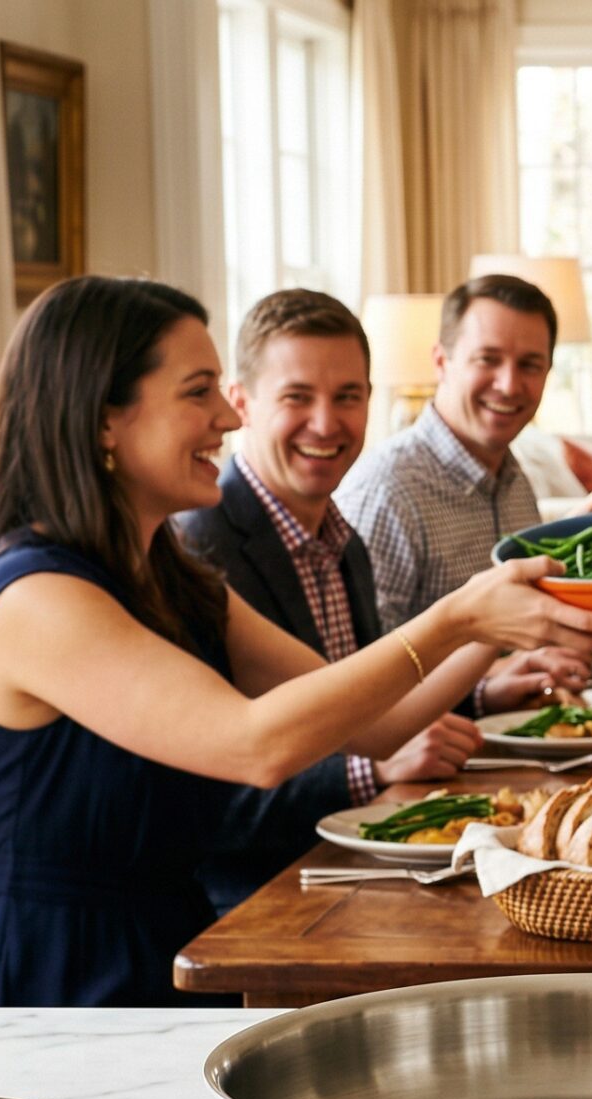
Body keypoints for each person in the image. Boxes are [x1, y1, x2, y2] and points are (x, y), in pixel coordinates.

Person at [0, 276, 592, 1008]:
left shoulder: (173, 576)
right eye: (198, 392)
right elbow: (258, 746)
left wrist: (500, 611)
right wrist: (457, 618)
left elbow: (373, 725)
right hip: (38, 979)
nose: (226, 414)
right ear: (102, 422)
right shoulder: (36, 598)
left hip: (164, 943)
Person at [177, 290, 511, 915]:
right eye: (297, 397)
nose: (327, 423)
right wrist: (370, 772)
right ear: (241, 404)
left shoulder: (341, 537)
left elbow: (375, 706)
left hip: (349, 868)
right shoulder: (200, 550)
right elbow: (211, 802)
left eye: (348, 397)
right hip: (252, 900)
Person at [337, 274, 592, 709]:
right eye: (487, 359)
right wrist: (493, 674)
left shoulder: (514, 478)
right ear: (441, 361)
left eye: (530, 364)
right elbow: (361, 672)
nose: (509, 384)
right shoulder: (386, 490)